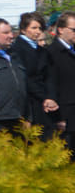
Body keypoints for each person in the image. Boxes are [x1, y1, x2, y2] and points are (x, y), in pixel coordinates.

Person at [9, 12, 58, 140]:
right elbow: (25, 77)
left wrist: (51, 97)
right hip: (29, 102)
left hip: (44, 101)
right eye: (34, 28)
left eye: (40, 28)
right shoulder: (16, 50)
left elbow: (49, 76)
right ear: (24, 29)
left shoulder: (42, 51)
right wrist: (44, 98)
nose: (38, 32)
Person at [48, 11, 75, 153]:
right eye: (73, 30)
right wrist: (59, 117)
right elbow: (52, 85)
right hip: (64, 116)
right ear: (61, 30)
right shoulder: (53, 52)